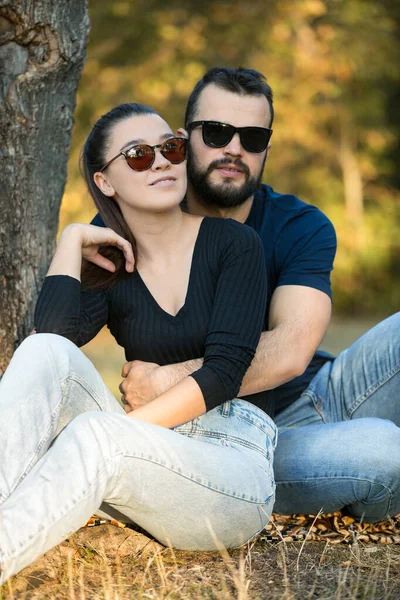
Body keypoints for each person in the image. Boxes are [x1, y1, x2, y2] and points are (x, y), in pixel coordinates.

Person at [0, 103, 278, 584]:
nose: (162, 162)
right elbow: (52, 343)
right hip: (140, 460)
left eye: (169, 148)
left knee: (96, 435)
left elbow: (226, 371)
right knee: (43, 353)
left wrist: (120, 436)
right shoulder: (112, 263)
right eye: (137, 156)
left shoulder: (234, 244)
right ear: (105, 182)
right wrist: (70, 240)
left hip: (229, 462)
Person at [111, 67, 400, 523]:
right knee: (385, 451)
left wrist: (172, 380)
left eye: (252, 137)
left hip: (321, 393)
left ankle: (350, 472)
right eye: (218, 132)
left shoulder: (300, 224)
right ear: (183, 141)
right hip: (228, 437)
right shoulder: (135, 220)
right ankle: (350, 474)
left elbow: (290, 351)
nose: (234, 149)